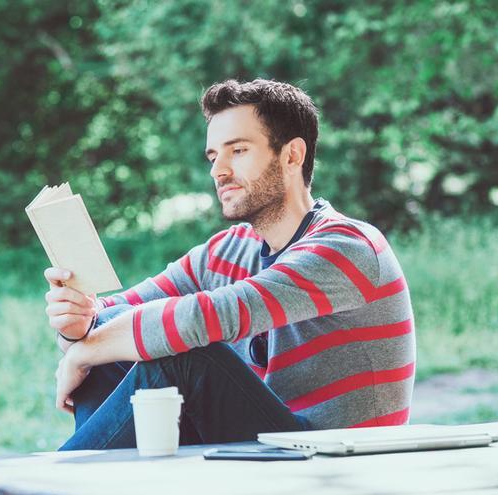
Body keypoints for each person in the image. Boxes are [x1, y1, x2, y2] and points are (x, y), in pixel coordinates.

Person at [43, 79, 415, 450]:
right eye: (212, 156)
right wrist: (77, 325)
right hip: (266, 446)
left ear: (291, 156)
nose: (217, 171)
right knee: (113, 341)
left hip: (334, 462)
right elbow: (113, 315)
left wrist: (86, 349)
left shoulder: (347, 247)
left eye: (237, 151)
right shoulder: (228, 250)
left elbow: (206, 318)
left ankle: (59, 483)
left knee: (187, 355)